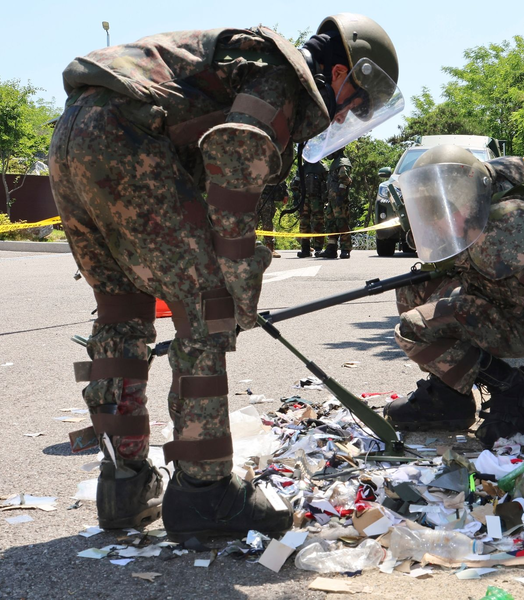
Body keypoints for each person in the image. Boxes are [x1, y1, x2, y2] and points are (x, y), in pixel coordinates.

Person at [49, 14, 400, 539]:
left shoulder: (241, 62)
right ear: (342, 74)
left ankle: (124, 487)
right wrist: (236, 281)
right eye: (356, 103)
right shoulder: (283, 75)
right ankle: (206, 496)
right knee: (207, 310)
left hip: (74, 138)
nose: (346, 116)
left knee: (121, 316)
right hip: (127, 140)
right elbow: (234, 151)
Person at [383, 146, 524, 448]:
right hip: (499, 298)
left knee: (412, 328)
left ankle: (513, 389)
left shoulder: (507, 229)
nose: (435, 226)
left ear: (466, 204)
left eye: (441, 215)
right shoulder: (473, 218)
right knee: (411, 290)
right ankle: (450, 398)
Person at [318, 149, 353, 259]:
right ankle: (331, 248)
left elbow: (345, 180)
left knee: (342, 222)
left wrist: (340, 196)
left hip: (339, 200)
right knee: (330, 224)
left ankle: (345, 249)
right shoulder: (335, 163)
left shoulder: (342, 162)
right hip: (332, 200)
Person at [291, 159, 328, 257]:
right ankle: (305, 249)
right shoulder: (302, 168)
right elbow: (296, 183)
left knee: (318, 223)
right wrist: (295, 197)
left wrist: (326, 199)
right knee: (304, 223)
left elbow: (328, 183)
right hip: (304, 200)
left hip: (318, 200)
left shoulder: (322, 167)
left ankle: (318, 249)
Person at [257, 181, 289, 257]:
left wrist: (285, 193)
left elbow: (279, 176)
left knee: (268, 224)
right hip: (252, 197)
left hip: (267, 197)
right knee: (251, 224)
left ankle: (270, 249)